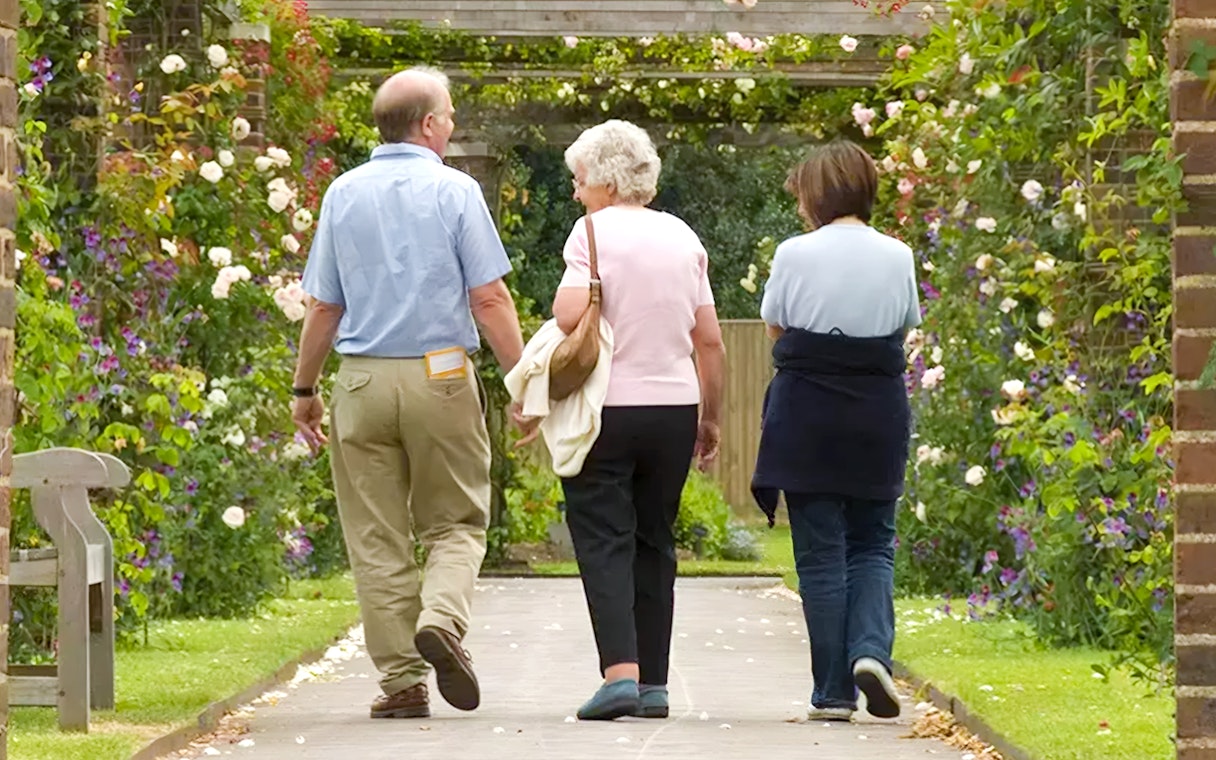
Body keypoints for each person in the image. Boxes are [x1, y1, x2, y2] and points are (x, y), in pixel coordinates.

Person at [290, 66, 526, 720]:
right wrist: (524, 383)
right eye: (448, 115)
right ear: (428, 125)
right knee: (455, 522)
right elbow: (488, 296)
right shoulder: (456, 191)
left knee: (376, 536)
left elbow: (323, 306)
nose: (451, 125)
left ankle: (401, 683)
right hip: (442, 374)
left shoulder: (341, 193)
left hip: (362, 380)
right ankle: (443, 620)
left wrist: (304, 387)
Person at [546, 120, 726, 721]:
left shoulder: (590, 232)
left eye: (578, 179)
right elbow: (711, 342)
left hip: (608, 410)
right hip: (674, 410)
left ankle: (619, 675)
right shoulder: (683, 236)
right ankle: (655, 685)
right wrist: (711, 417)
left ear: (602, 177)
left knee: (602, 536)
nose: (575, 192)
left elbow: (570, 310)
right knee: (655, 540)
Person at [751, 139, 920, 723]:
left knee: (821, 556)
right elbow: (902, 327)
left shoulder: (794, 254)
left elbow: (776, 327)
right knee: (873, 542)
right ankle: (871, 652)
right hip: (876, 412)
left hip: (807, 415)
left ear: (816, 194)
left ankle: (832, 693)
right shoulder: (898, 256)